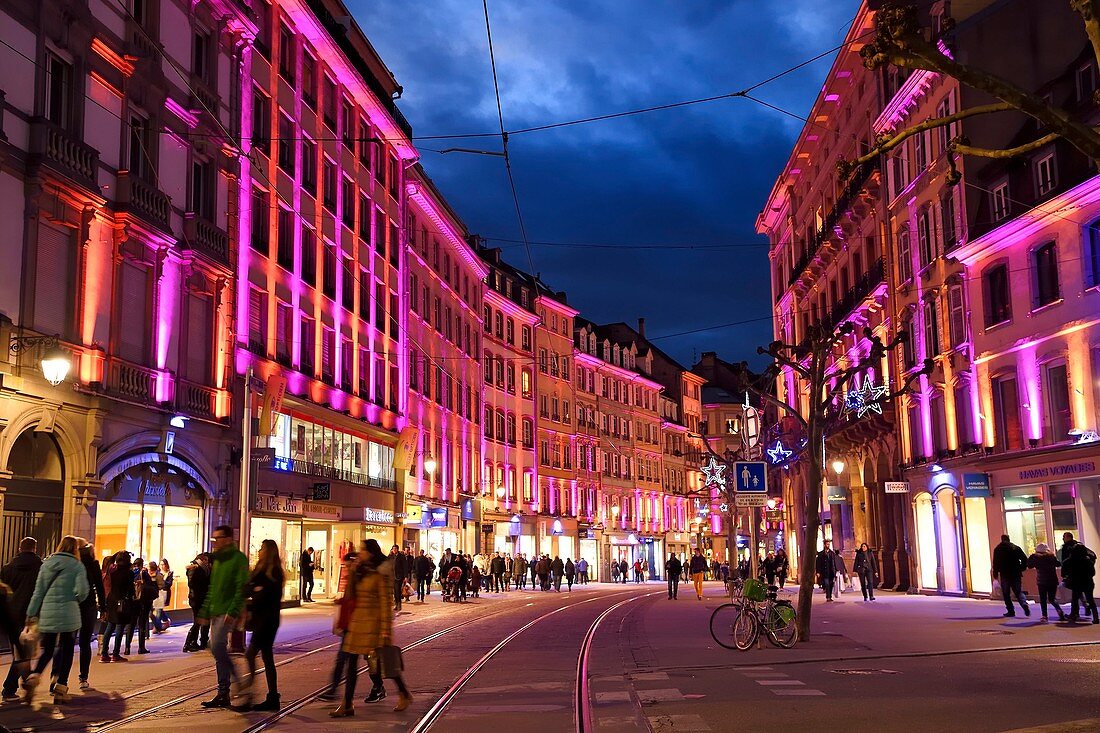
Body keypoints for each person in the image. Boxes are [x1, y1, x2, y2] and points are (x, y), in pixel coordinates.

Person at [330, 540, 412, 717]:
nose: (361, 554)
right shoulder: (361, 570)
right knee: (351, 663)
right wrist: (353, 570)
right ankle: (347, 703)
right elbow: (351, 594)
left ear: (371, 553)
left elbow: (385, 603)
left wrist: (385, 631)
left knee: (383, 662)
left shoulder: (380, 573)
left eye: (363, 551)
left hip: (373, 624)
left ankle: (404, 693)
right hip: (357, 623)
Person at [25, 535, 89, 704]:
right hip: (69, 613)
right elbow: (83, 591)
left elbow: (38, 591)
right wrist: (74, 597)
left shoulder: (47, 564)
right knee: (67, 650)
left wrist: (31, 613)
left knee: (48, 649)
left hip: (48, 612)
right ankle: (61, 688)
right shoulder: (77, 566)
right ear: (75, 548)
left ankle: (35, 675)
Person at [199, 525, 249, 709]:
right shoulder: (218, 560)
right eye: (214, 539)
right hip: (215, 611)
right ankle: (223, 692)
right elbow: (212, 588)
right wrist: (204, 612)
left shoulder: (238, 559)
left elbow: (241, 586)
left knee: (216, 647)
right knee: (218, 651)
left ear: (228, 539)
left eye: (218, 538)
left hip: (227, 612)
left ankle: (238, 682)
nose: (216, 542)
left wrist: (233, 610)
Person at [239, 538, 284, 711]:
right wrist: (256, 591)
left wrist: (258, 591)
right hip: (261, 619)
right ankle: (272, 697)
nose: (259, 551)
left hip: (268, 621)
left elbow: (268, 595)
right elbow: (247, 589)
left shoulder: (274, 572)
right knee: (267, 657)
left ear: (269, 551)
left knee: (250, 654)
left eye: (262, 548)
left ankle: (248, 691)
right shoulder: (259, 569)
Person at [2, 537, 42, 700]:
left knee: (20, 652)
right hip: (31, 616)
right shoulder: (40, 568)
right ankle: (11, 687)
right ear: (34, 548)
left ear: (20, 548)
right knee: (24, 653)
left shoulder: (7, 568)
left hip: (11, 615)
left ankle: (24, 683)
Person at [320, 552, 360, 703]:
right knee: (345, 661)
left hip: (355, 627)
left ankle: (338, 692)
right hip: (349, 627)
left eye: (347, 566)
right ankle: (336, 691)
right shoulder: (351, 581)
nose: (346, 569)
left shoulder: (358, 581)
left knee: (348, 661)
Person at [76, 543, 104, 690]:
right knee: (85, 642)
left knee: (66, 642)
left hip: (73, 605)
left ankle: (59, 679)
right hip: (89, 605)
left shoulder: (74, 562)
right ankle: (83, 677)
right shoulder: (93, 564)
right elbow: (99, 586)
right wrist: (103, 607)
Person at [101, 552, 135, 662]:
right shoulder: (129, 573)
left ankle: (104, 653)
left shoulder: (112, 570)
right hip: (122, 601)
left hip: (111, 599)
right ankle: (115, 654)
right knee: (120, 627)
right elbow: (130, 589)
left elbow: (110, 561)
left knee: (110, 626)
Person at [991, 534, 1030, 617]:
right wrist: (1021, 568)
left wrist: (995, 575)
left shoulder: (998, 549)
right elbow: (1024, 559)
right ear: (1009, 539)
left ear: (1002, 539)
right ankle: (1024, 604)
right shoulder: (1015, 547)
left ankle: (1011, 610)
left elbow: (995, 563)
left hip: (1005, 574)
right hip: (1016, 573)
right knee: (1018, 591)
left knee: (1006, 593)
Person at [1062, 541, 1099, 624]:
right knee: (1090, 600)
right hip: (1088, 582)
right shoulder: (1088, 561)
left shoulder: (1068, 561)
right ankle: (1096, 617)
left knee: (1074, 600)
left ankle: (1073, 616)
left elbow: (1063, 573)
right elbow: (1093, 573)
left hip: (1075, 583)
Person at [1027, 543, 1064, 623]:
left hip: (1042, 581)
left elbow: (1029, 565)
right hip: (1052, 580)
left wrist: (1032, 557)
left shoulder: (1036, 558)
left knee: (1043, 599)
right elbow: (1058, 564)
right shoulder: (1051, 557)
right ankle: (1059, 610)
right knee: (1052, 598)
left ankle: (1044, 616)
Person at [183, 553, 211, 652]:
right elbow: (192, 583)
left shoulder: (202, 568)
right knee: (197, 622)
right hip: (196, 599)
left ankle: (194, 642)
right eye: (206, 560)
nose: (207, 562)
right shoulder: (194, 568)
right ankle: (188, 643)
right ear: (201, 559)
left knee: (200, 621)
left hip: (199, 598)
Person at [1060, 532, 1084, 617]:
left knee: (1075, 594)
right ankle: (1085, 605)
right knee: (1077, 592)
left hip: (1072, 574)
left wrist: (1065, 573)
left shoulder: (1068, 547)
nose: (1063, 538)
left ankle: (1075, 613)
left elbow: (1065, 562)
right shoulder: (1077, 546)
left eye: (1064, 537)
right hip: (1079, 574)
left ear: (1069, 537)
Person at [153, 559, 173, 632]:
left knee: (159, 609)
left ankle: (157, 627)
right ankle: (166, 621)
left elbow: (168, 584)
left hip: (164, 593)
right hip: (157, 592)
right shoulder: (157, 573)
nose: (161, 566)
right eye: (160, 564)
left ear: (166, 565)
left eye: (163, 564)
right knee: (159, 609)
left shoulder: (169, 573)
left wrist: (162, 580)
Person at [390, 545, 408, 612]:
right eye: (393, 549)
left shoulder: (401, 556)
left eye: (395, 549)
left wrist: (405, 576)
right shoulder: (392, 556)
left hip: (399, 576)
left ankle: (399, 604)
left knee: (397, 591)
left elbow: (405, 566)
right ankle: (396, 604)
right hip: (393, 576)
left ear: (397, 549)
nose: (394, 550)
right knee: (395, 591)